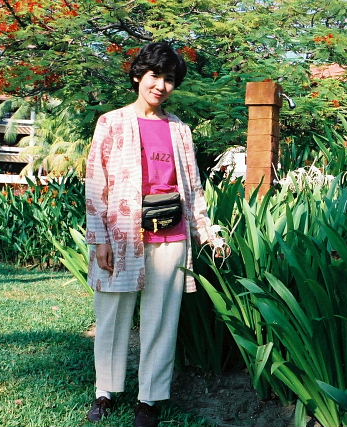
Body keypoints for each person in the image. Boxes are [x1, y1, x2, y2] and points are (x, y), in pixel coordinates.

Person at [85, 42, 227, 427]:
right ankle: (105, 391)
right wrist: (99, 239)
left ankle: (149, 399)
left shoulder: (179, 129)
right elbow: (96, 183)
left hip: (171, 235)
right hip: (122, 235)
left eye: (169, 80)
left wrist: (206, 233)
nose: (161, 86)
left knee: (161, 319)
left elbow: (192, 187)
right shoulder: (111, 122)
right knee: (112, 315)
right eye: (154, 76)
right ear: (138, 77)